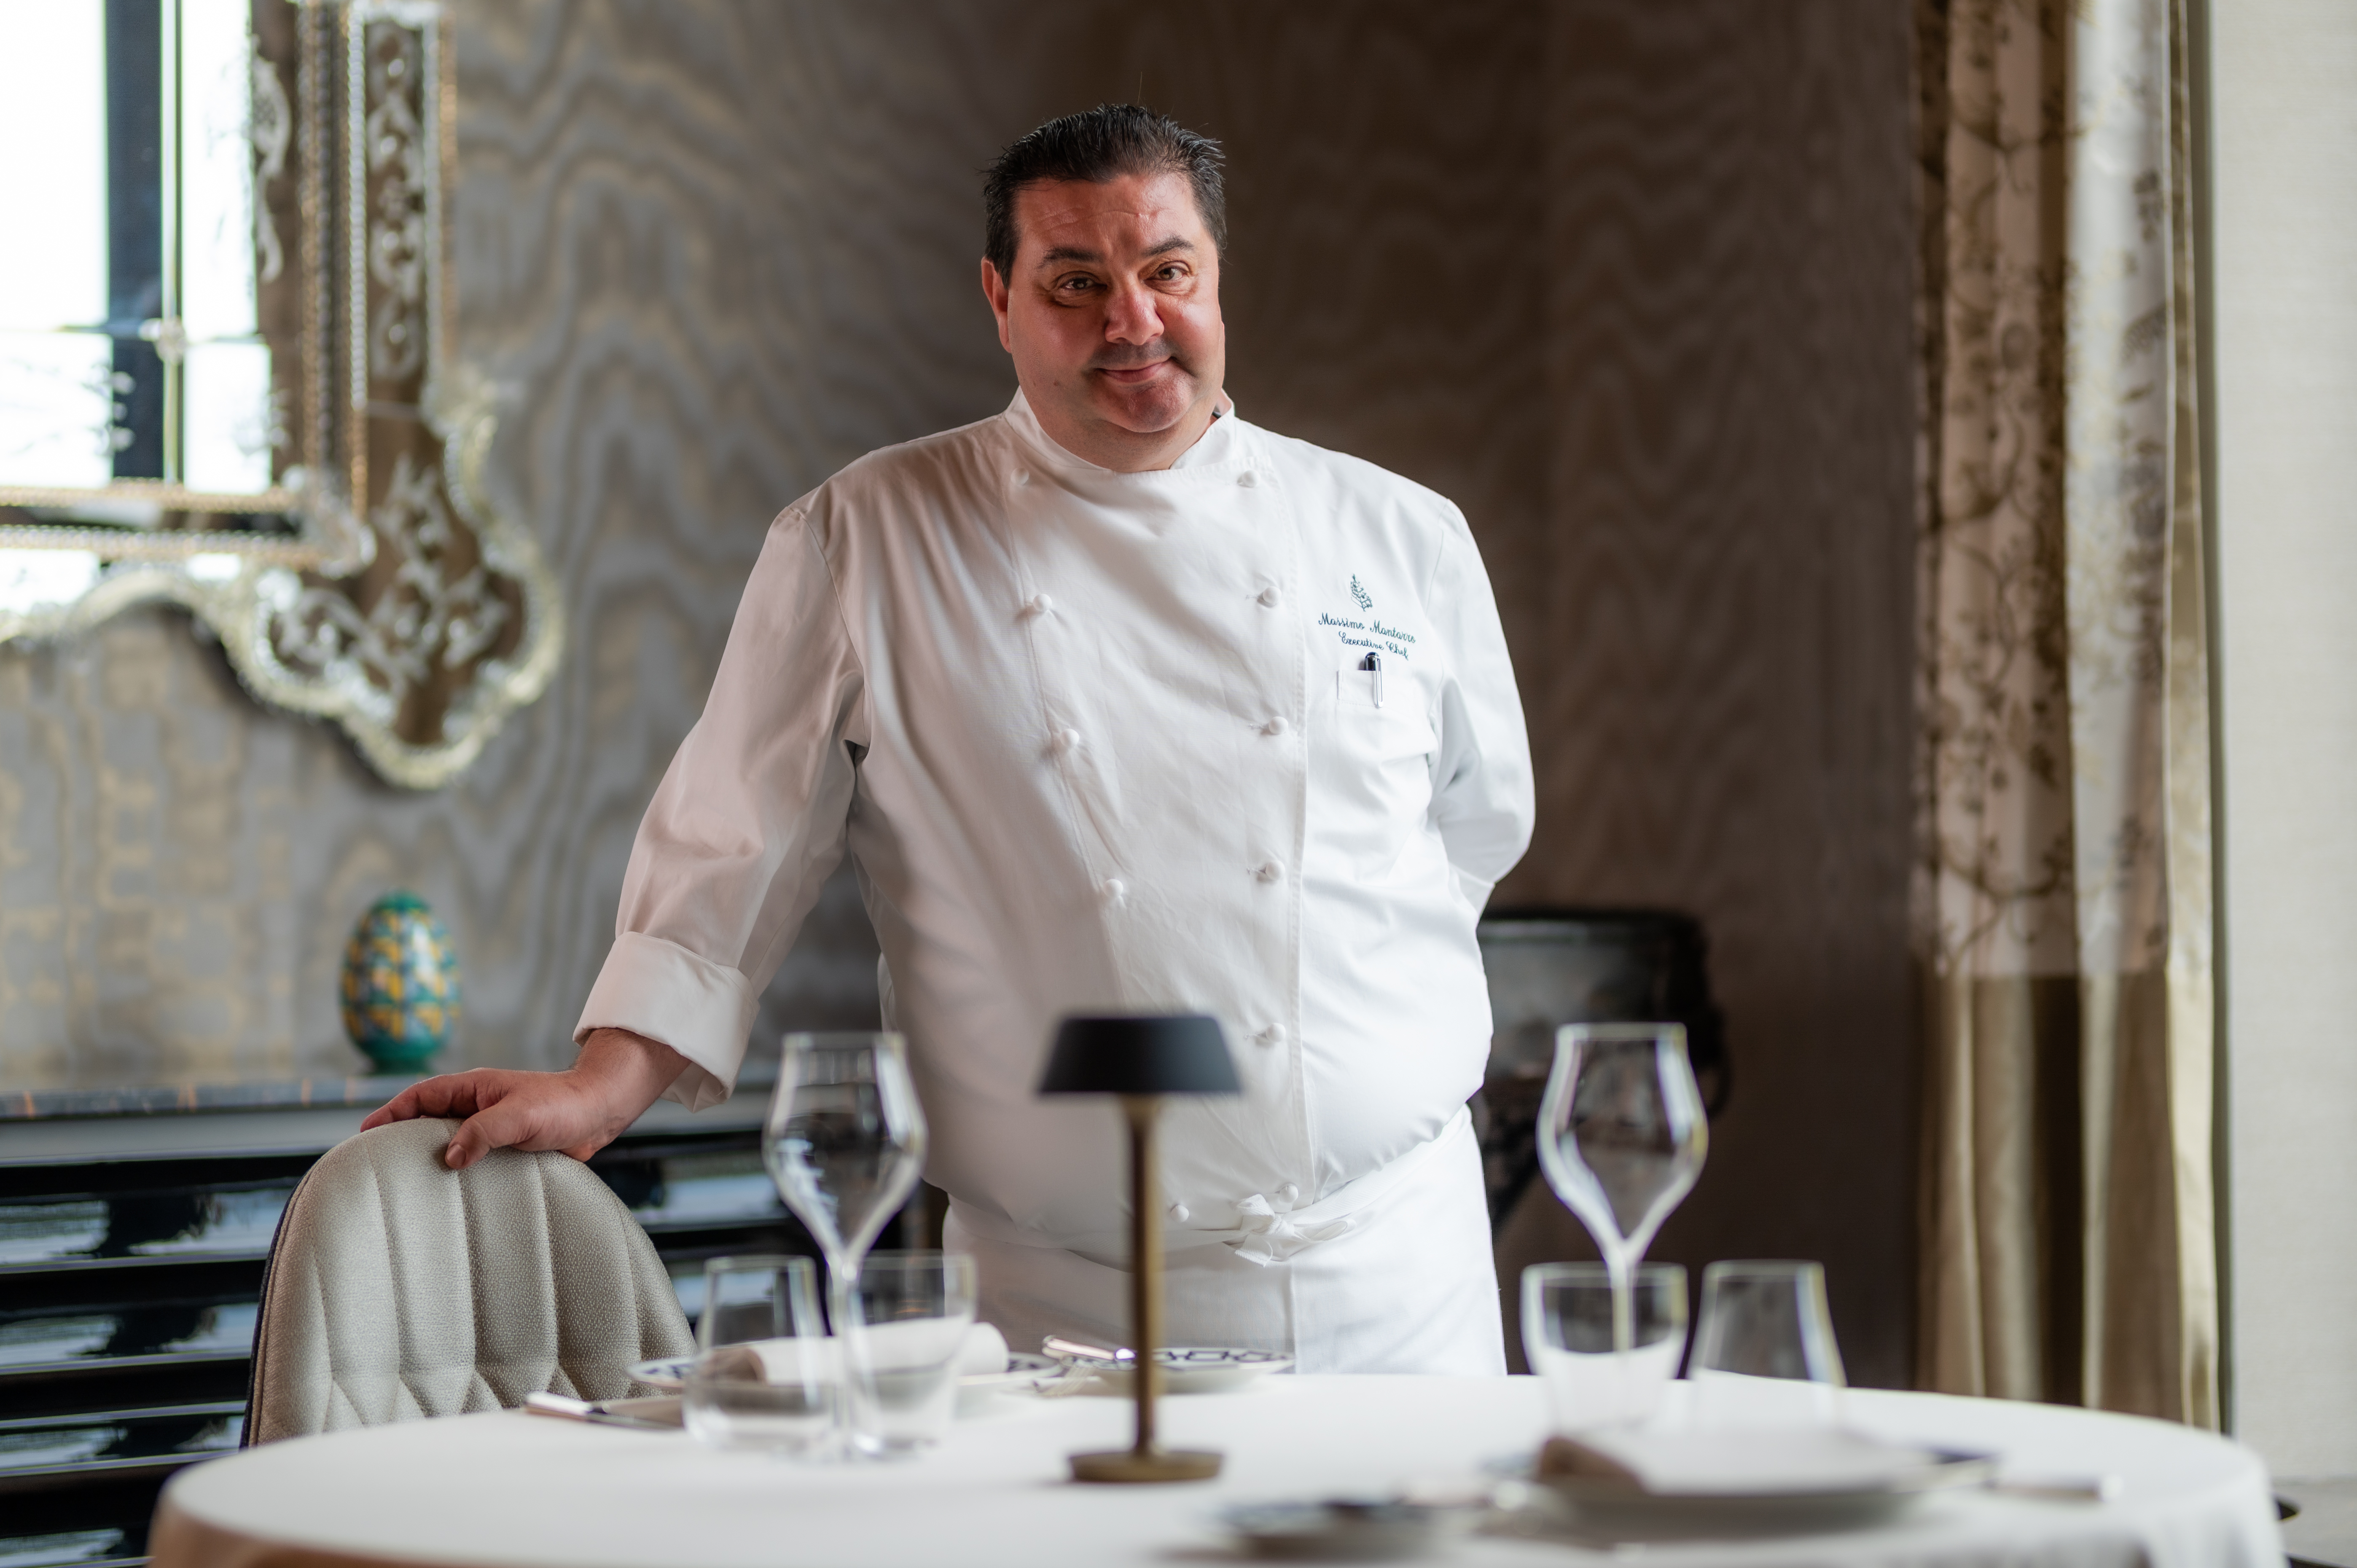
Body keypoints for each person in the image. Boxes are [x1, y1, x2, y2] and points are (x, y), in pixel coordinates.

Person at [364, 105, 1532, 1374]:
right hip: (1059, 1307)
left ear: (1215, 277)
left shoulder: (1402, 537)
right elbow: (731, 846)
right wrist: (602, 1089)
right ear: (1000, 297)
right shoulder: (867, 537)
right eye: (1076, 283)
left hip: (1396, 1281)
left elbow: (1470, 837)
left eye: (1168, 274)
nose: (1132, 323)